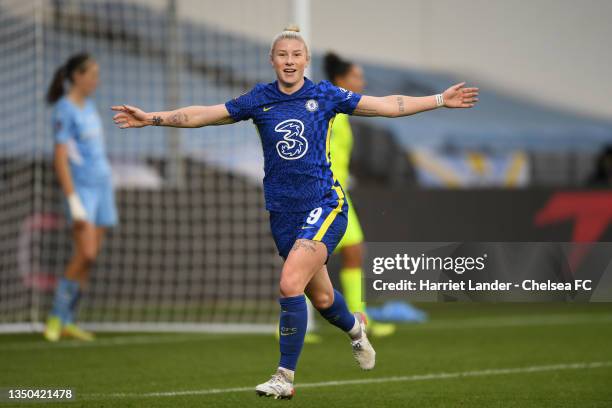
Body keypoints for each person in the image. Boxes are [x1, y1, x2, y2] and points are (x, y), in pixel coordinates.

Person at [111, 25, 478, 400]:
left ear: (305, 60)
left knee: (290, 283)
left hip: (324, 204)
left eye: (296, 55)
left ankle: (284, 377)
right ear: (272, 60)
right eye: (282, 55)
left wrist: (438, 99)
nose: (289, 61)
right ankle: (356, 330)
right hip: (283, 213)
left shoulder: (325, 95)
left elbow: (386, 105)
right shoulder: (259, 99)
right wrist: (150, 118)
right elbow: (203, 114)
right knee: (321, 299)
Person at [44, 53, 118, 342]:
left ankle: (69, 321)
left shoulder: (88, 105)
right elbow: (60, 158)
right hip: (82, 189)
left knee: (91, 257)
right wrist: (72, 199)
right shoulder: (64, 110)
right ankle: (55, 316)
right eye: (92, 75)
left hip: (102, 186)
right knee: (84, 252)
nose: (96, 81)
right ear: (77, 76)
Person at [324, 51, 396, 337]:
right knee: (313, 260)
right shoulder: (328, 107)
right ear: (341, 80)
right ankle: (294, 324)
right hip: (324, 192)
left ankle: (359, 318)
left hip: (339, 192)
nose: (361, 82)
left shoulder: (342, 111)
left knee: (352, 252)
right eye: (356, 76)